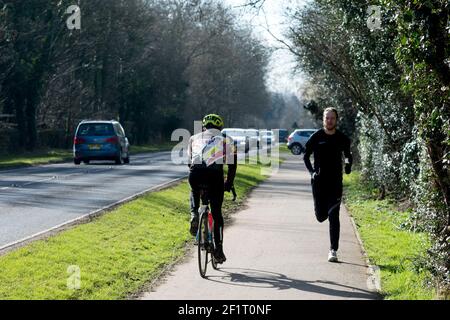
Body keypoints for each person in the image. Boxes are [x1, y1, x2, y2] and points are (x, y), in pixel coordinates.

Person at [303, 107, 352, 262]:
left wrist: (348, 165)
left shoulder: (342, 138)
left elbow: (348, 155)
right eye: (327, 118)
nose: (329, 120)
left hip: (335, 183)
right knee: (320, 216)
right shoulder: (316, 137)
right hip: (319, 183)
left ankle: (333, 250)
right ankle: (321, 212)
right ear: (323, 120)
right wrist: (312, 172)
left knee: (334, 216)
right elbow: (306, 156)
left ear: (336, 120)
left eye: (332, 118)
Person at [187, 114, 237, 264]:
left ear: (204, 127)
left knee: (194, 189)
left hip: (195, 175)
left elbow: (189, 163)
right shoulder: (226, 140)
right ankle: (219, 250)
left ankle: (194, 213)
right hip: (215, 177)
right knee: (216, 214)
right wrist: (228, 183)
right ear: (220, 127)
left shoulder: (193, 138)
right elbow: (232, 165)